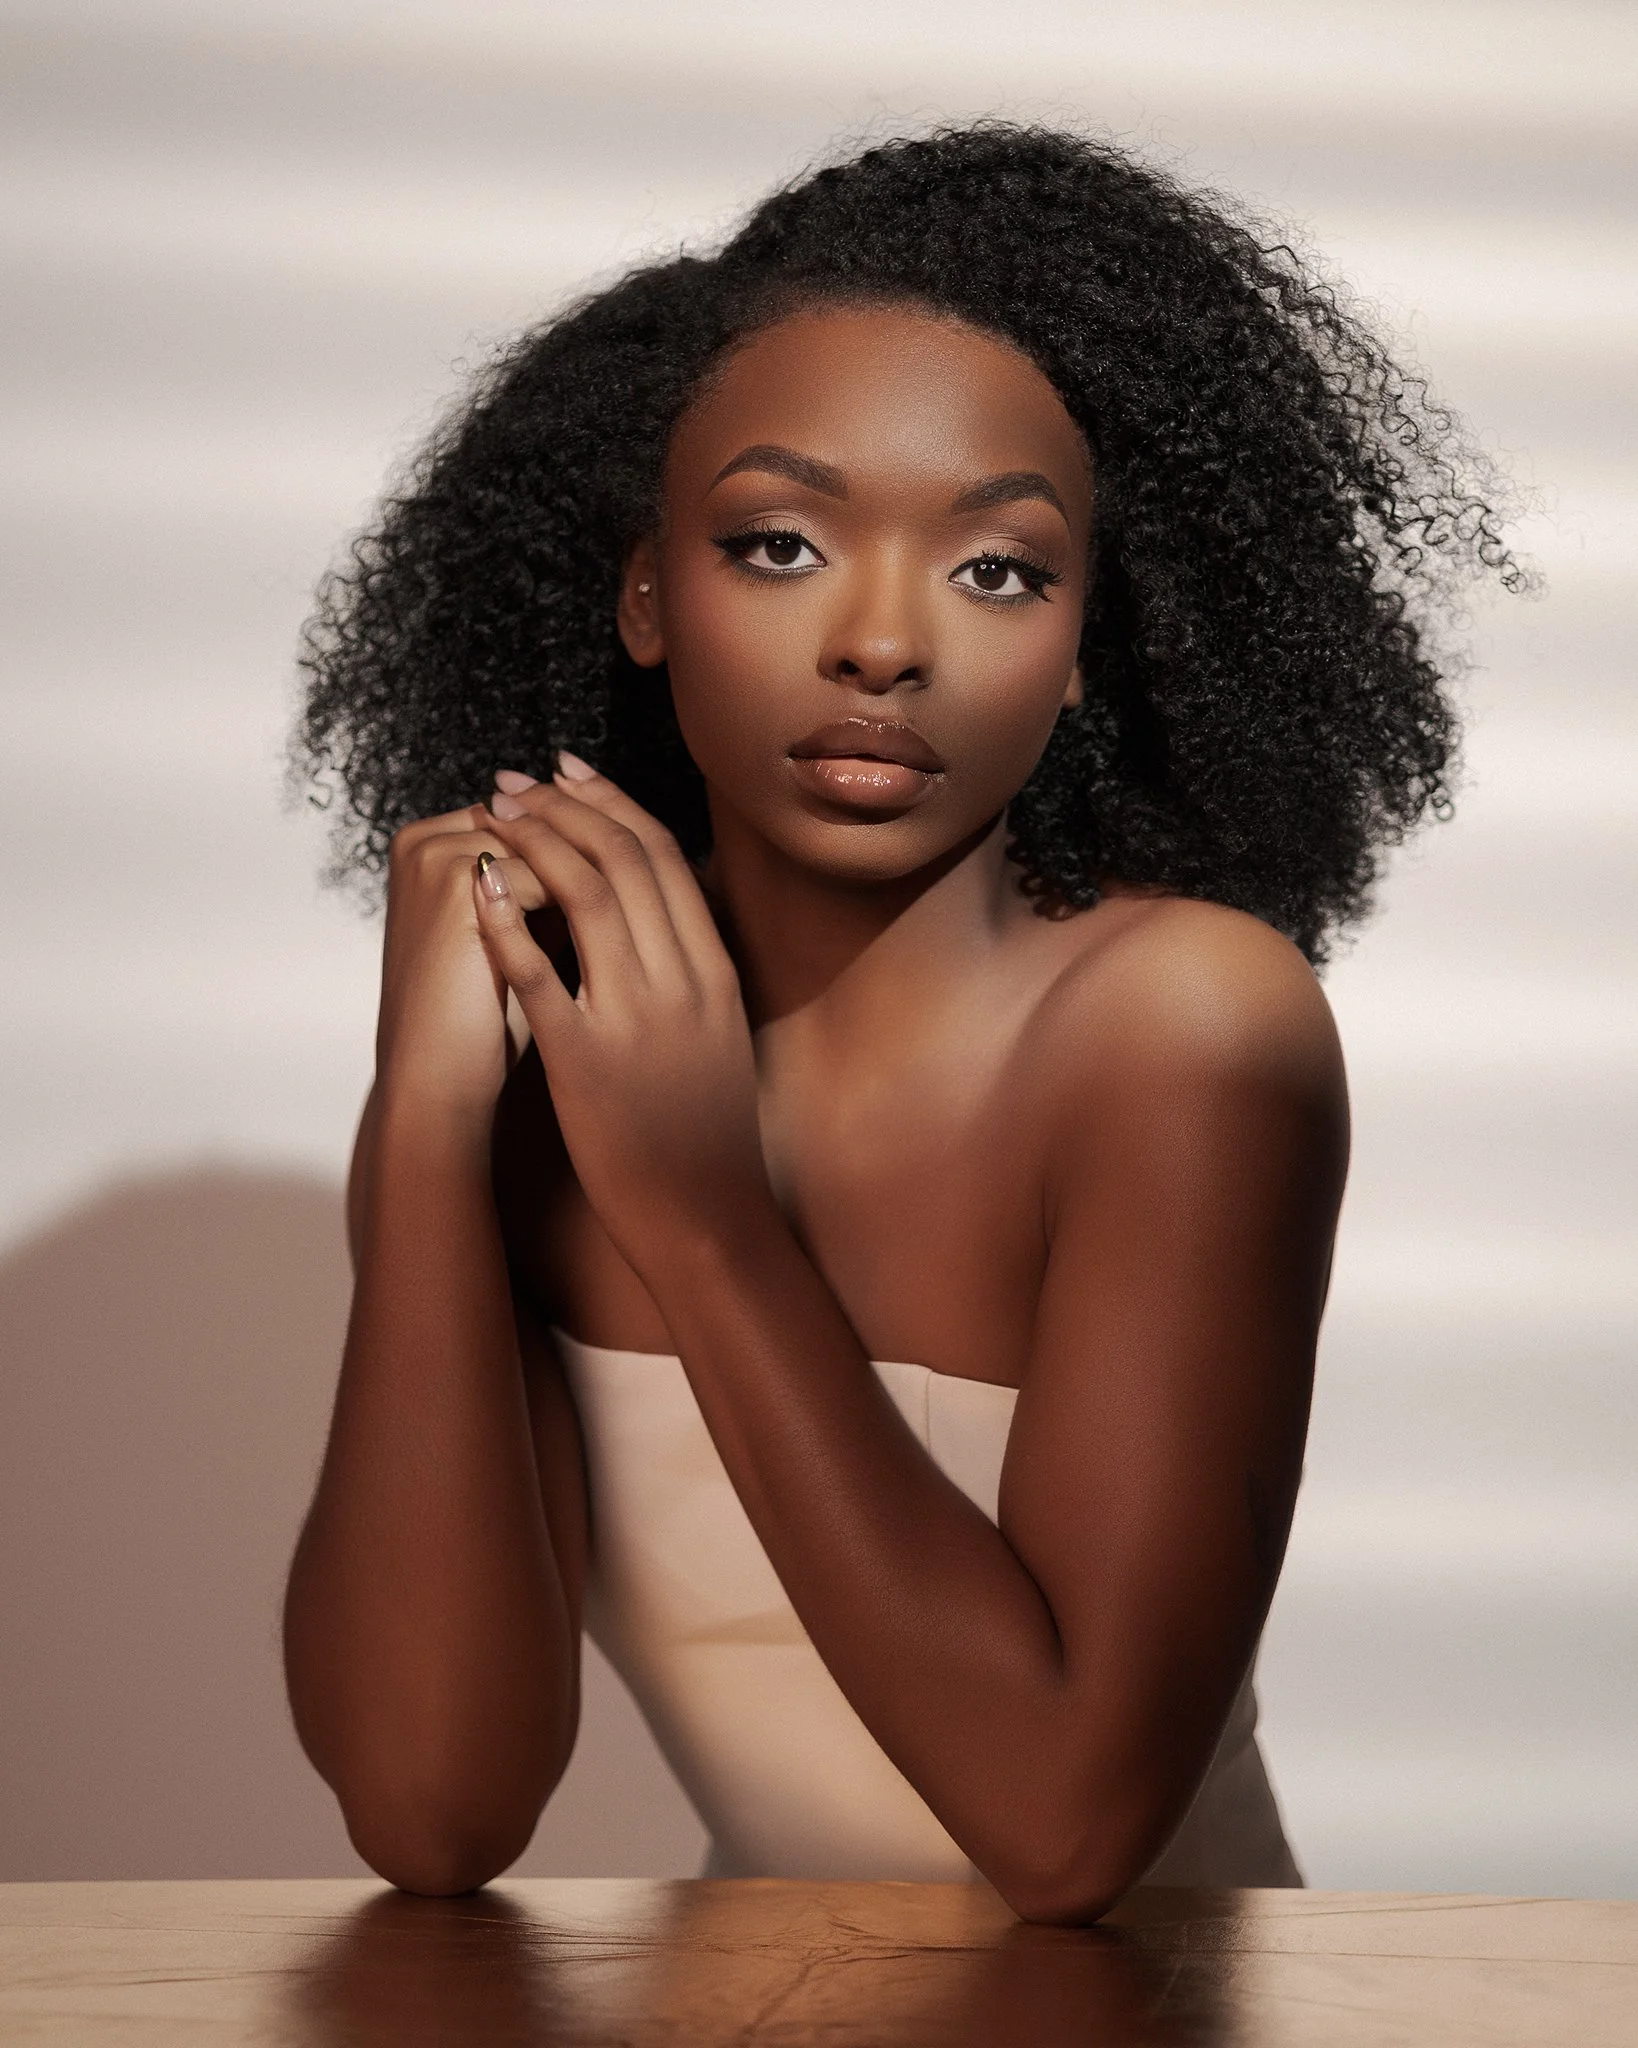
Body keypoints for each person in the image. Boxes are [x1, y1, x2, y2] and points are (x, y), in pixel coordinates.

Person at [281, 123, 1519, 1923]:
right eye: (778, 544)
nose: (881, 643)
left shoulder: (1179, 1035)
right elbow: (430, 1811)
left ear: (1086, 643)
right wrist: (420, 1125)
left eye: (997, 569)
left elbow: (1068, 1834)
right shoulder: (544, 1064)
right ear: (645, 592)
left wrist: (703, 1220)